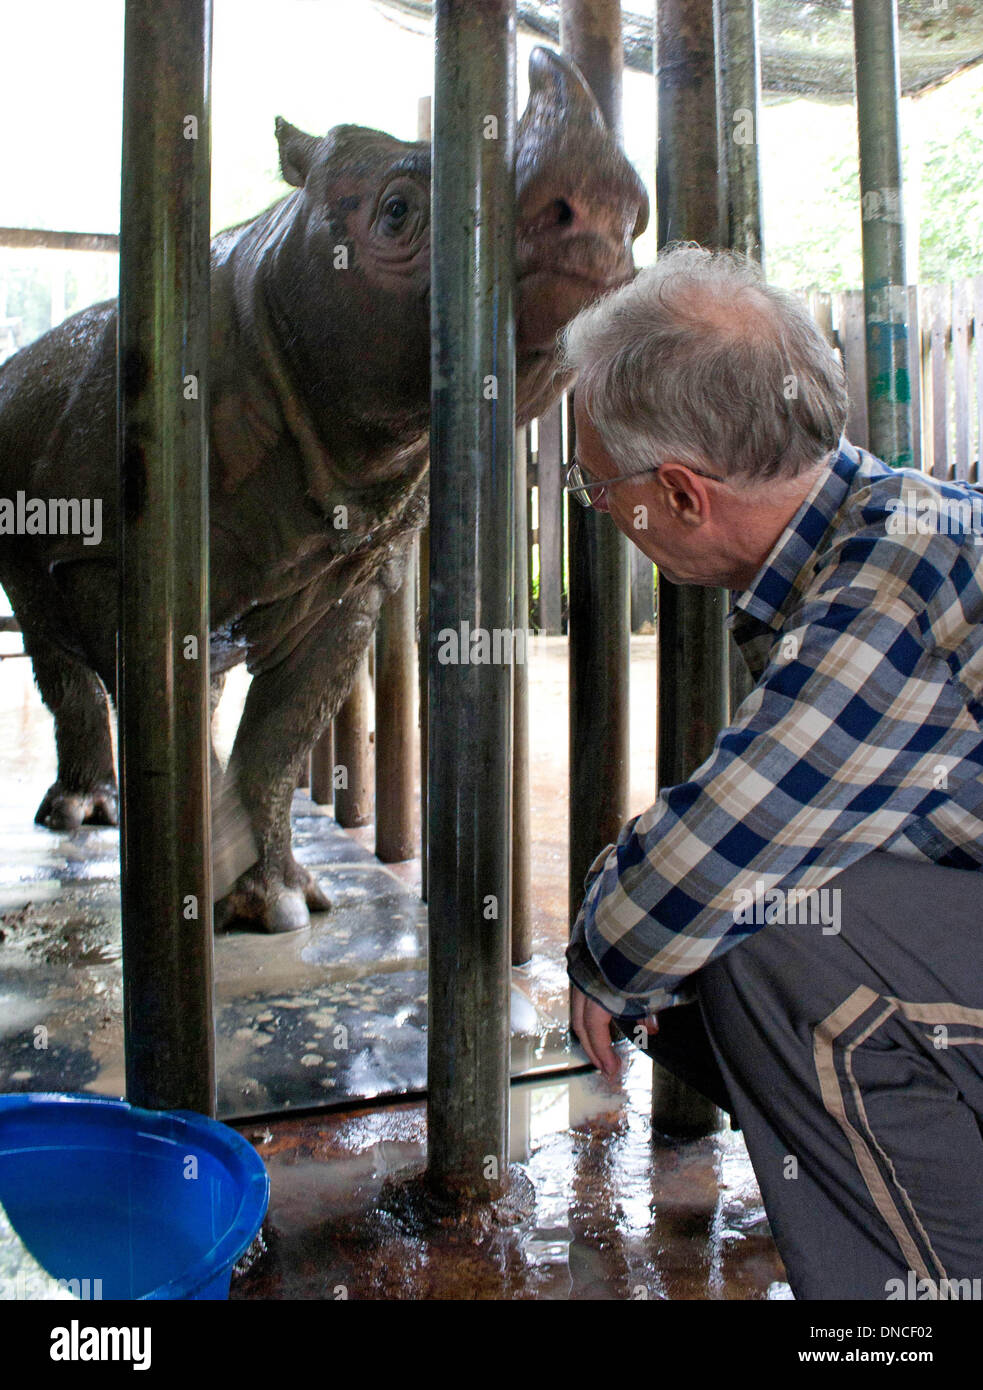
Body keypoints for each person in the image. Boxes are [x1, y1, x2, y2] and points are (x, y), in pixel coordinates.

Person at [562, 243, 983, 1302]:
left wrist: (601, 959)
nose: (599, 508)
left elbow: (710, 859)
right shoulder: (883, 522)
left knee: (775, 945)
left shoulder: (890, 575)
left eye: (594, 484)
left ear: (679, 494)